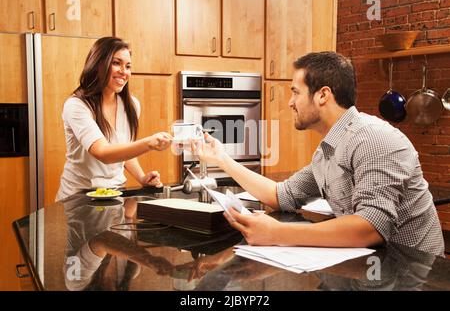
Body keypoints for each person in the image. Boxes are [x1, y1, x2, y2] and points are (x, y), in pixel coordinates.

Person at [192, 51, 445, 257]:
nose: (290, 102)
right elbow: (282, 196)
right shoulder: (328, 150)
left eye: (295, 92)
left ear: (323, 95)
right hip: (371, 268)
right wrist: (222, 159)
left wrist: (277, 233)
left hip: (413, 275)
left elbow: (371, 228)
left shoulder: (372, 138)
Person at [56, 37, 172, 201]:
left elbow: (123, 150)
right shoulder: (76, 106)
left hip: (115, 194)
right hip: (78, 197)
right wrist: (149, 143)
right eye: (116, 63)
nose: (124, 72)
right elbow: (103, 153)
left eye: (128, 66)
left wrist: (141, 178)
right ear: (98, 64)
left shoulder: (131, 105)